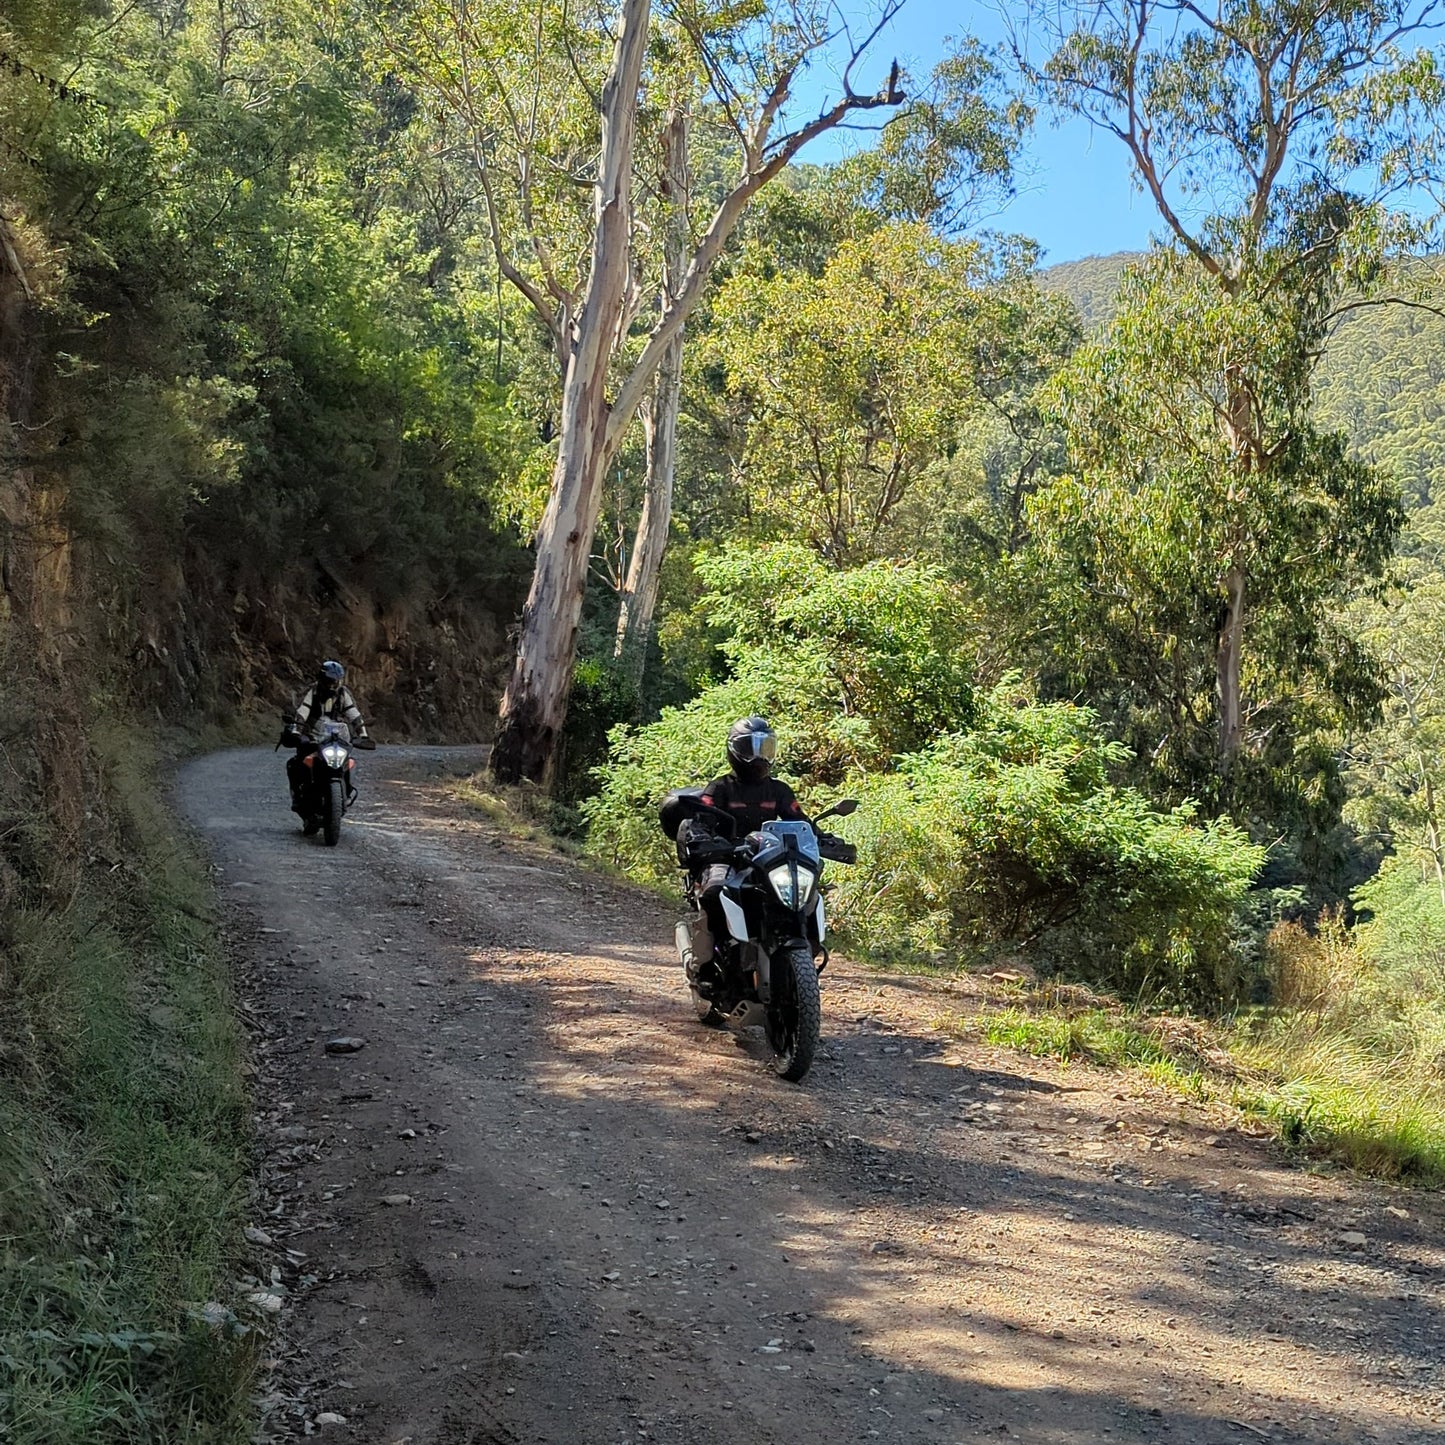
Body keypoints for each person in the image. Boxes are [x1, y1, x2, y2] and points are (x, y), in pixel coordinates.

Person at [682, 716, 804, 981]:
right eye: (750, 748)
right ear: (734, 750)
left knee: (802, 890)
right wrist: (704, 838)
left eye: (765, 748)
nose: (759, 757)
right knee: (714, 892)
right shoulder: (720, 788)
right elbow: (702, 821)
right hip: (727, 857)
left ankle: (795, 948)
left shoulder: (779, 790)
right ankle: (705, 962)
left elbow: (799, 821)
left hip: (768, 860)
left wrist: (824, 839)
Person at [285, 660, 371, 811]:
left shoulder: (343, 693)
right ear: (321, 678)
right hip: (312, 735)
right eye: (328, 680)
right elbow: (303, 710)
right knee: (296, 762)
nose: (332, 684)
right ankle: (298, 795)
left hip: (335, 737)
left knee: (347, 761)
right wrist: (297, 731)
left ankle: (347, 790)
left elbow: (353, 713)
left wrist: (363, 735)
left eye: (335, 681)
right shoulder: (312, 691)